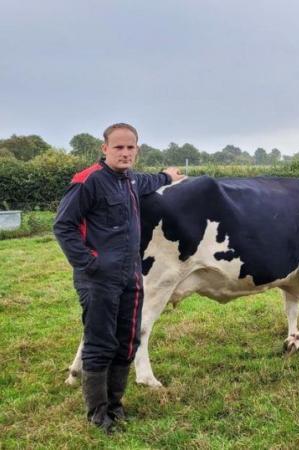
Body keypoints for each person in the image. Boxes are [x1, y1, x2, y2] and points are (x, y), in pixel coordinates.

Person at [53, 123, 184, 432]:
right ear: (105, 149)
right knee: (101, 342)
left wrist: (168, 176)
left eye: (131, 147)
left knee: (126, 340)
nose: (125, 153)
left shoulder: (131, 180)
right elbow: (63, 226)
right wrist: (89, 263)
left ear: (137, 149)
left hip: (131, 275)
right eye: (119, 147)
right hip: (98, 278)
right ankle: (98, 415)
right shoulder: (88, 182)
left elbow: (151, 180)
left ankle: (115, 404)